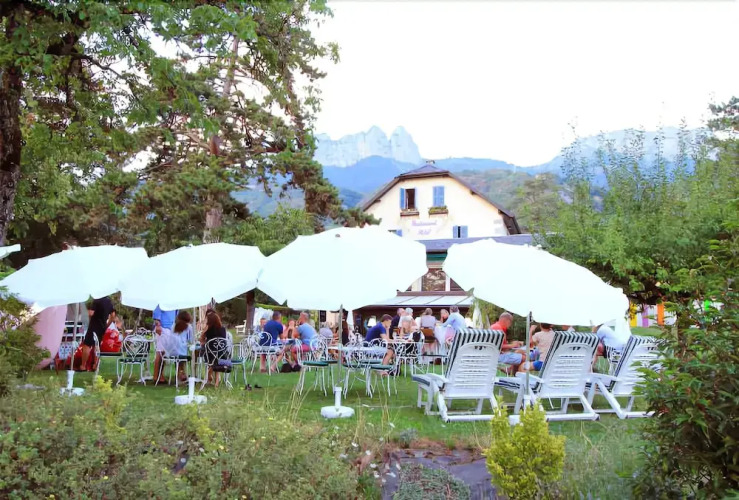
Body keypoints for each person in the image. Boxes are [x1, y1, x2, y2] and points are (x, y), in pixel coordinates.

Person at [81, 296, 115, 371]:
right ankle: (95, 365)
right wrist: (107, 325)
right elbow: (113, 316)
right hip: (102, 326)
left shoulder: (97, 300)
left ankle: (83, 366)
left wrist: (86, 312)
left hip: (94, 325)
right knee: (97, 346)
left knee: (87, 345)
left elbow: (91, 313)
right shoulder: (109, 302)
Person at [200, 311, 228, 387]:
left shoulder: (208, 330)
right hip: (223, 356)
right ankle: (216, 383)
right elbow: (223, 341)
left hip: (210, 356)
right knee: (217, 358)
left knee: (213, 359)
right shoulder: (223, 329)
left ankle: (209, 374)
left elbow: (202, 341)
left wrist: (203, 332)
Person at [152, 306, 177, 384]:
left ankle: (160, 375)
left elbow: (176, 315)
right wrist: (158, 325)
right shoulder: (162, 301)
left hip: (171, 327)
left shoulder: (176, 303)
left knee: (164, 353)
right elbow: (157, 312)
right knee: (160, 352)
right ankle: (156, 376)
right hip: (163, 327)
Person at [171, 311, 194, 382]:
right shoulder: (189, 327)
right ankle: (182, 373)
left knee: (178, 358)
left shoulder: (173, 325)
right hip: (182, 350)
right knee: (183, 357)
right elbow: (191, 340)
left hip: (172, 351)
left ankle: (180, 373)